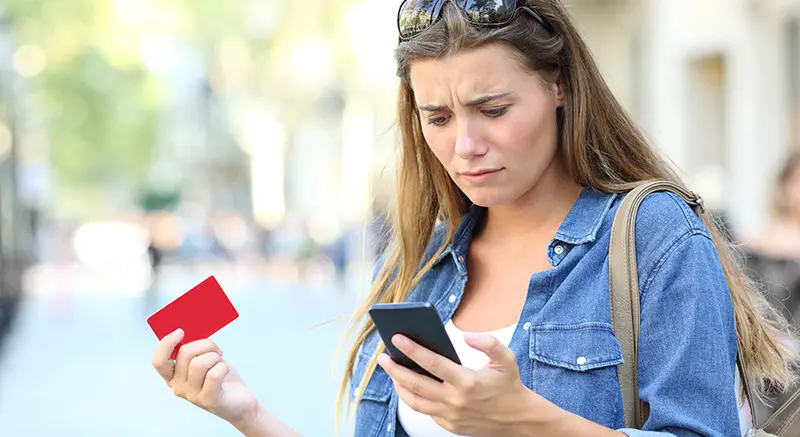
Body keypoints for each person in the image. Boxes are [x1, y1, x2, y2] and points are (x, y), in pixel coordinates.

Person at [150, 1, 797, 436]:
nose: (465, 144)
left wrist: (524, 416)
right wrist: (245, 412)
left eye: (492, 109)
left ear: (559, 86)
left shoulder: (649, 234)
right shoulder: (418, 265)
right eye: (438, 118)